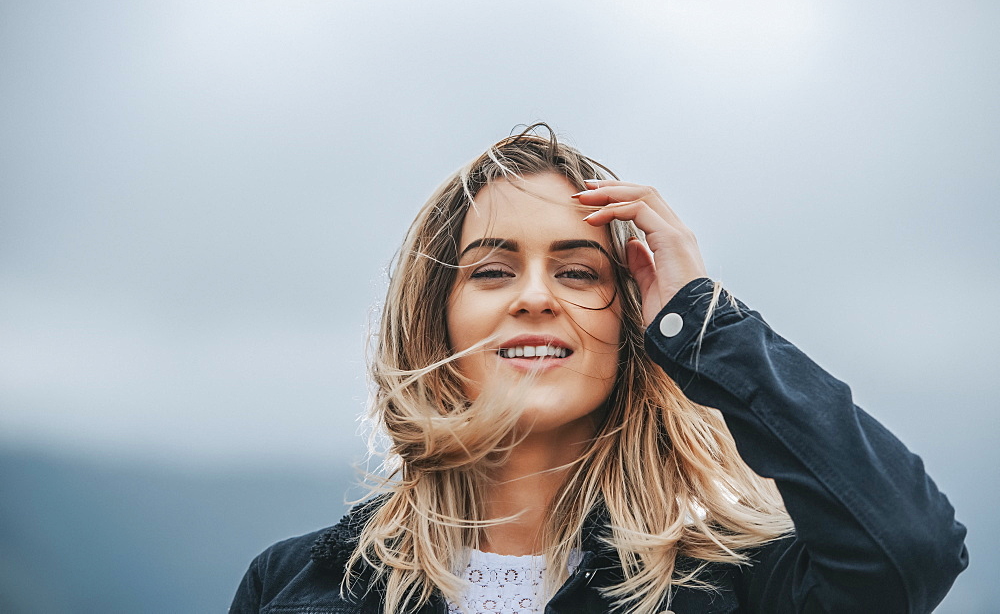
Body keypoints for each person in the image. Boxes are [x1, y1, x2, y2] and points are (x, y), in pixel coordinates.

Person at [230, 125, 968, 613]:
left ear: (632, 326)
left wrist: (705, 322)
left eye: (579, 273)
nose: (536, 297)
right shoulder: (298, 585)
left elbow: (909, 551)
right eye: (492, 270)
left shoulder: (733, 587)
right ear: (434, 320)